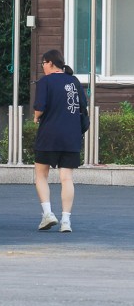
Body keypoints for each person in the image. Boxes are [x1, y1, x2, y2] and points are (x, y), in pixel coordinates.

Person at [33, 49, 88, 234]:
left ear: (49, 63)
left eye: (43, 63)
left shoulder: (45, 82)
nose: (43, 67)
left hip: (49, 135)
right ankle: (66, 221)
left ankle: (48, 214)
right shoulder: (74, 81)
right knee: (67, 178)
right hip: (71, 136)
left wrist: (35, 117)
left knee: (41, 175)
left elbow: (39, 108)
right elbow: (83, 108)